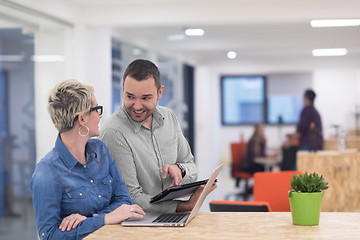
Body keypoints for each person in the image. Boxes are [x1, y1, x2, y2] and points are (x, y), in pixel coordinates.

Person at [31, 79, 145, 240]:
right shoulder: (46, 173)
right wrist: (105, 218)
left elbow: (123, 200)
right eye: (97, 109)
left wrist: (92, 220)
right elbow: (48, 236)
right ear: (82, 119)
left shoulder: (101, 150)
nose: (100, 115)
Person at [100, 59, 208, 213]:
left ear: (160, 92)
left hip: (169, 219)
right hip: (138, 223)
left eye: (145, 98)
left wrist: (180, 169)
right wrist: (183, 207)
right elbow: (131, 197)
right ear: (122, 90)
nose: (137, 106)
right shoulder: (114, 132)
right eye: (130, 97)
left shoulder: (169, 117)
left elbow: (191, 165)